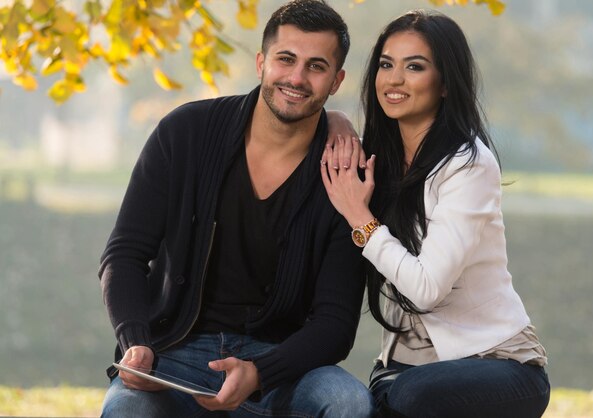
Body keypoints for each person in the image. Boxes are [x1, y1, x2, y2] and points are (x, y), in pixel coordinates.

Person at [98, 1, 375, 416]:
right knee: (127, 410)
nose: (297, 78)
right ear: (262, 62)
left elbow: (335, 323)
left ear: (336, 81)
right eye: (286, 59)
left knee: (348, 402)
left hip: (284, 366)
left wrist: (260, 371)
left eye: (316, 66)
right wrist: (134, 341)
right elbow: (124, 254)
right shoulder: (185, 133)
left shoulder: (345, 171)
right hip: (174, 353)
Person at [321, 9, 551, 418]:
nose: (394, 79)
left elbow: (426, 288)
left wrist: (361, 219)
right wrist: (335, 121)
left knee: (410, 396)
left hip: (496, 365)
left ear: (445, 83)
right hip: (402, 371)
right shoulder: (380, 160)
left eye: (415, 67)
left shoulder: (468, 164)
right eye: (386, 64)